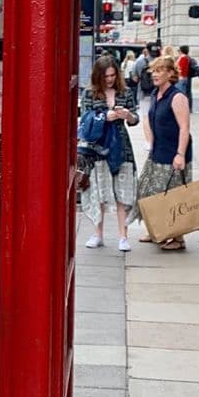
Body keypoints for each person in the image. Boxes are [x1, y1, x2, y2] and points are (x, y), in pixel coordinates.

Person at [78, 55, 140, 252]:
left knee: (123, 191)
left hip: (121, 146)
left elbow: (135, 119)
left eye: (113, 75)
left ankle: (123, 236)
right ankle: (98, 234)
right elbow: (85, 118)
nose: (110, 79)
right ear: (98, 76)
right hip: (97, 148)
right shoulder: (89, 93)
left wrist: (128, 115)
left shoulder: (126, 91)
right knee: (98, 192)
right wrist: (105, 116)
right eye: (106, 76)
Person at [136, 55, 192, 251]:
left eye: (160, 70)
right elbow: (150, 120)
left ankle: (178, 239)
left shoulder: (177, 97)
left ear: (170, 73)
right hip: (157, 151)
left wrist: (180, 154)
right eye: (154, 70)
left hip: (173, 153)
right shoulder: (156, 94)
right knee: (149, 192)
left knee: (173, 196)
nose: (155, 74)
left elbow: (184, 128)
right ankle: (157, 231)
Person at [177, 44, 194, 111]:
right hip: (184, 77)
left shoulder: (183, 58)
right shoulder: (186, 57)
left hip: (182, 77)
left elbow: (181, 68)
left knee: (181, 93)